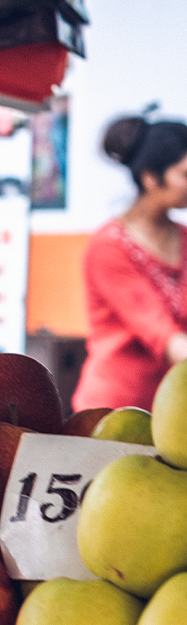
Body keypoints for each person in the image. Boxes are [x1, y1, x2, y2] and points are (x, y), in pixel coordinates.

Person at [74, 115, 187, 413]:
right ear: (151, 177)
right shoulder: (108, 247)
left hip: (171, 412)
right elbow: (163, 336)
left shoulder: (185, 238)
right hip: (114, 413)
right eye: (185, 174)